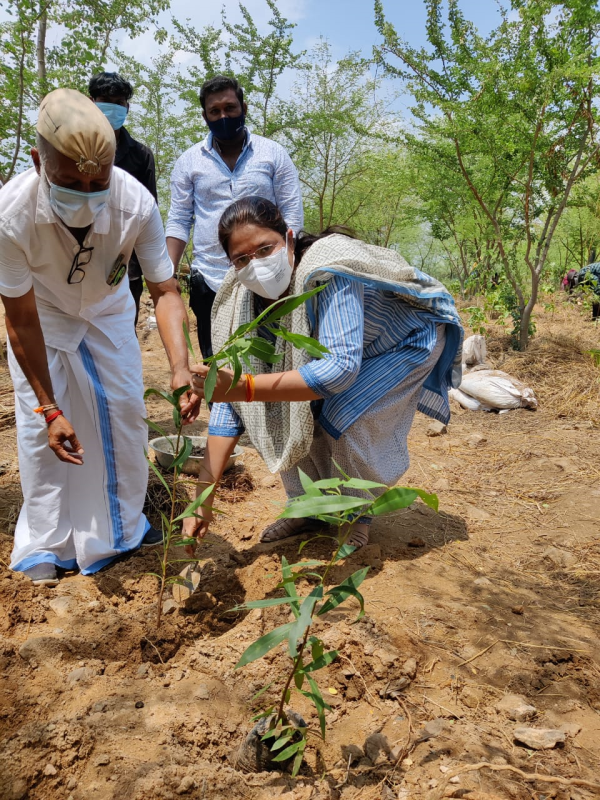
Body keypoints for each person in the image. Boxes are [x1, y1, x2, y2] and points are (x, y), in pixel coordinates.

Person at [182, 197, 463, 551]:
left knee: (342, 417)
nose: (255, 264)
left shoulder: (327, 271)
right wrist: (201, 498)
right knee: (284, 412)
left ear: (288, 238)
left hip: (404, 341)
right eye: (242, 259)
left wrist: (249, 386)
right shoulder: (238, 304)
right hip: (349, 354)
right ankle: (308, 507)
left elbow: (338, 371)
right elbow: (232, 401)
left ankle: (353, 512)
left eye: (264, 249)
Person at [0, 89, 199, 586]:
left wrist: (179, 365)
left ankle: (120, 529)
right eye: (70, 182)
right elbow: (19, 318)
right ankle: (48, 542)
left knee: (124, 418)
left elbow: (166, 290)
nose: (87, 192)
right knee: (41, 434)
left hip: (108, 313)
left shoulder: (135, 202)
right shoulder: (10, 216)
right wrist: (49, 408)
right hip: (41, 317)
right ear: (37, 162)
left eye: (98, 182)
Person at [165, 75, 303, 359]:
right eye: (214, 111)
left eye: (230, 108)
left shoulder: (273, 154)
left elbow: (292, 214)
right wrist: (167, 273)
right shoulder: (188, 162)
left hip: (269, 275)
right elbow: (179, 221)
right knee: (218, 362)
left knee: (271, 358)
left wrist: (290, 264)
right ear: (205, 116)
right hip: (211, 280)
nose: (223, 116)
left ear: (244, 107)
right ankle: (221, 406)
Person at [89, 71, 158, 328]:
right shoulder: (70, 150)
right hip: (77, 263)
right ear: (91, 103)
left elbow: (150, 213)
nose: (113, 108)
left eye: (119, 102)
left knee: (122, 335)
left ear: (127, 107)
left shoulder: (141, 156)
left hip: (125, 268)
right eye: (105, 100)